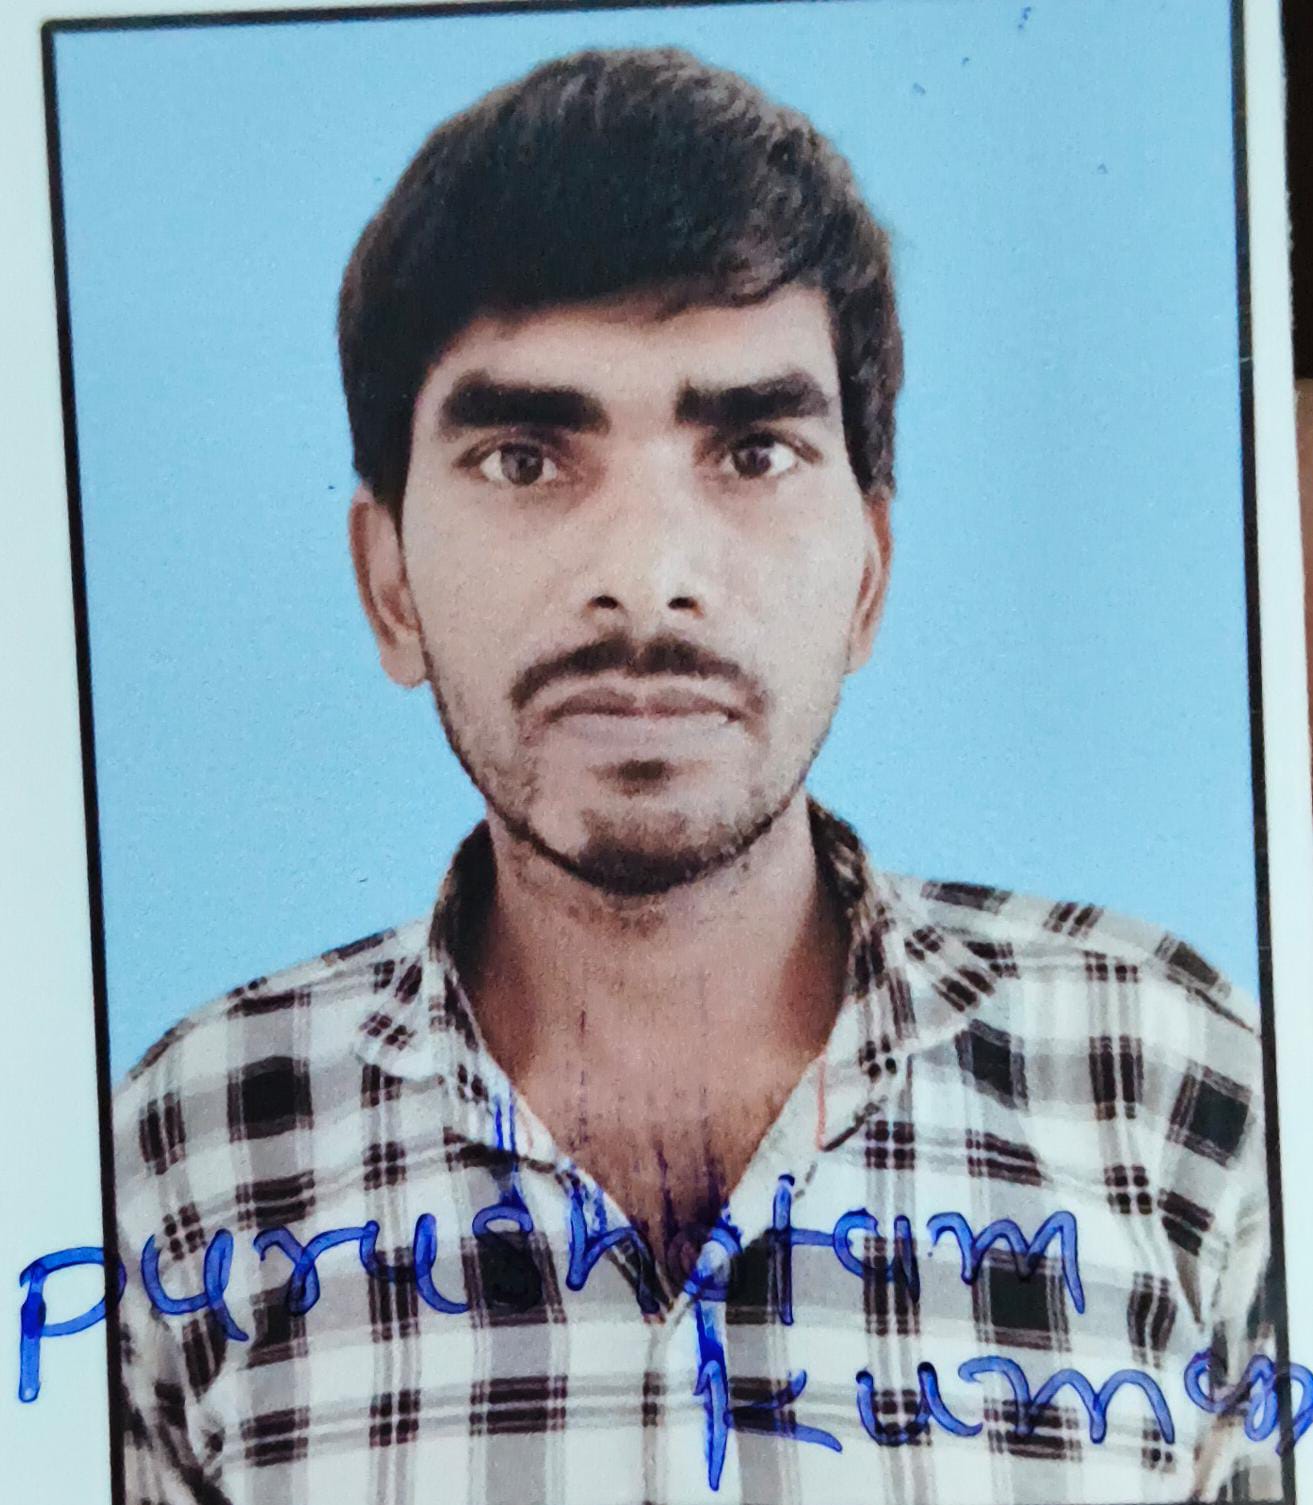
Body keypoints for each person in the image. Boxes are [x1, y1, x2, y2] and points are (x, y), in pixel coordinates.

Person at [112, 47, 1277, 1505]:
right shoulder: (189, 1153)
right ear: (388, 582)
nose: (647, 578)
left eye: (752, 450)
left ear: (868, 576)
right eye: (525, 458)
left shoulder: (1168, 1086)